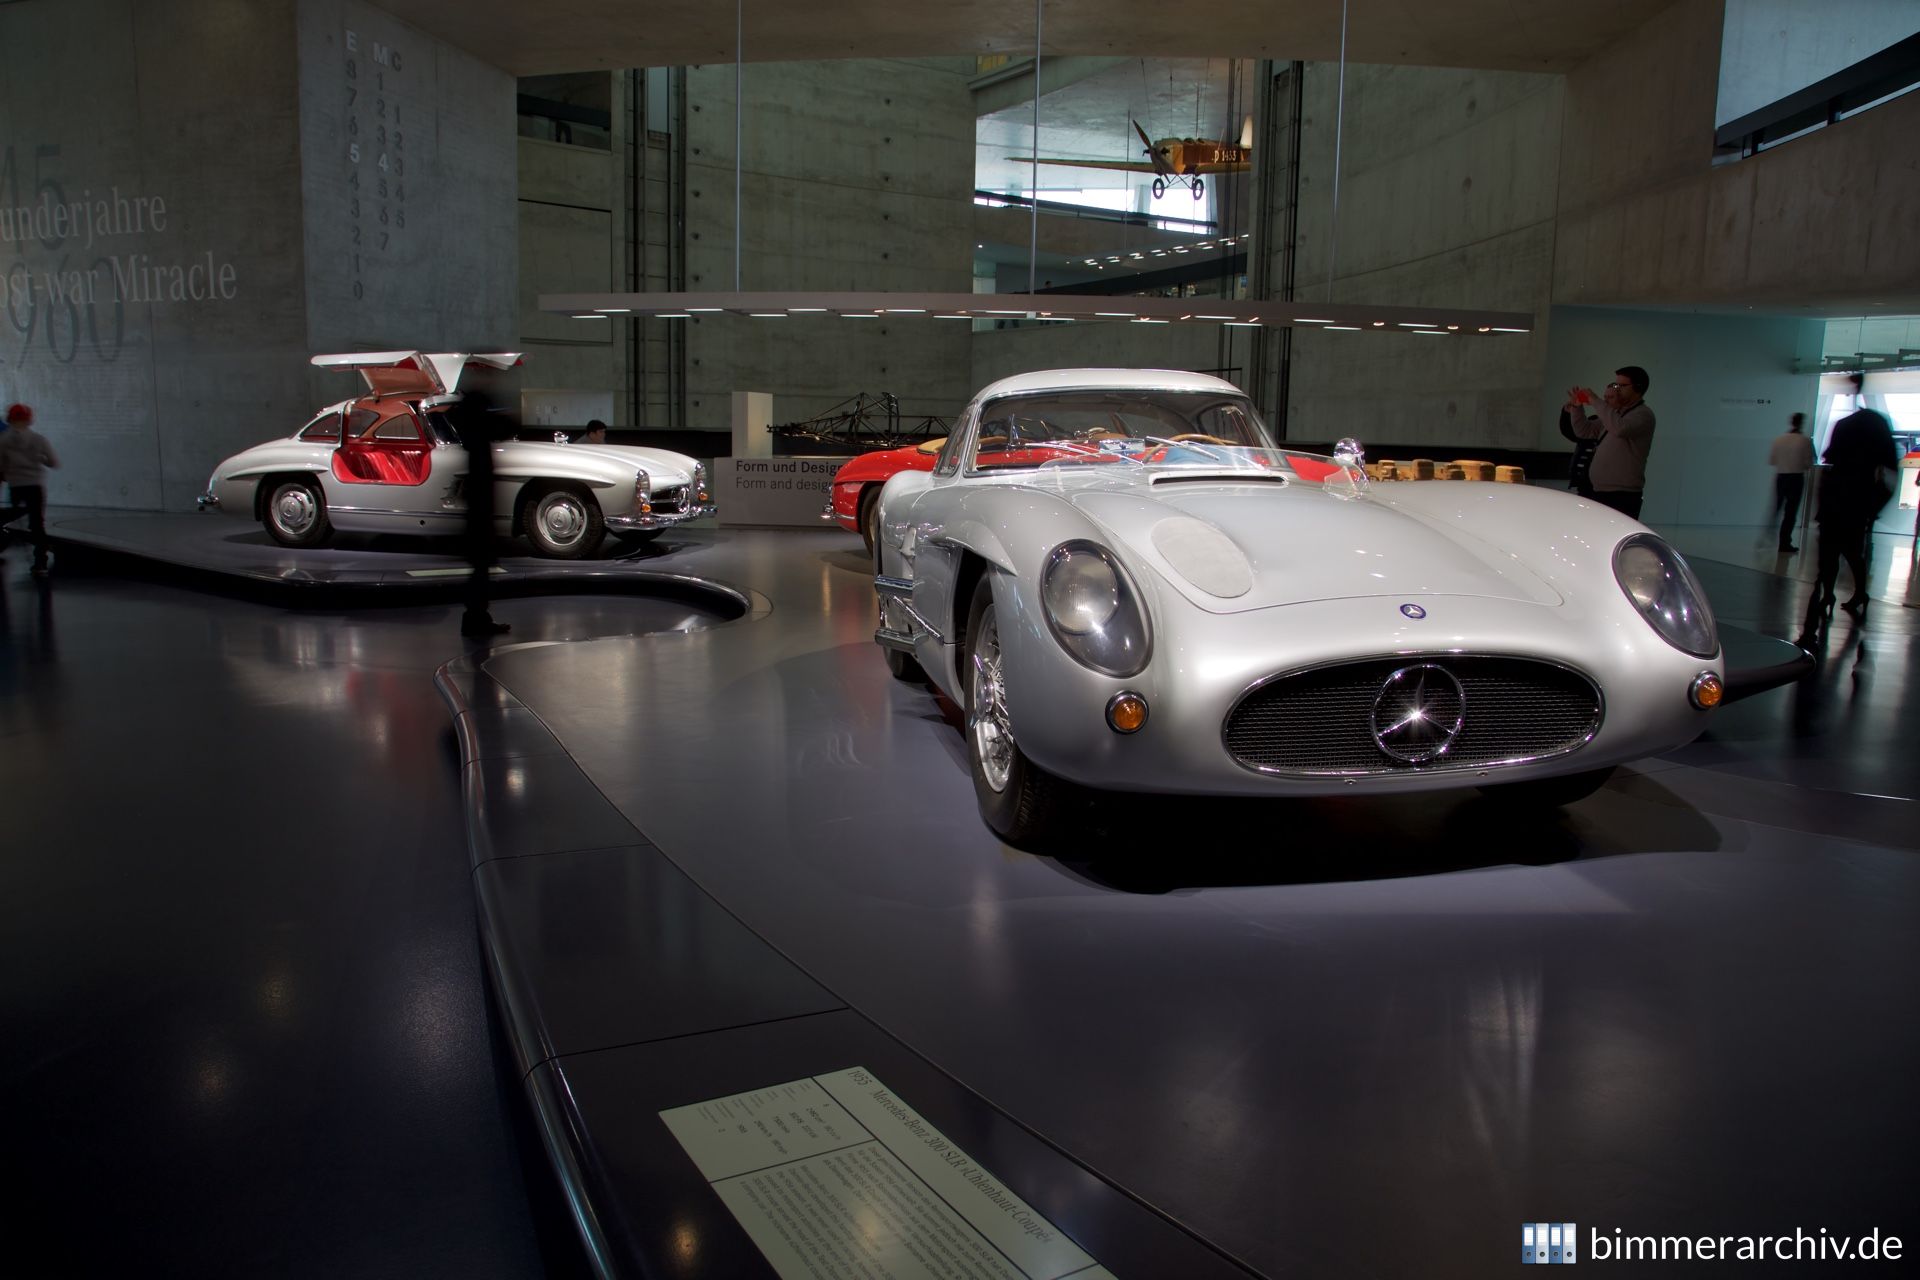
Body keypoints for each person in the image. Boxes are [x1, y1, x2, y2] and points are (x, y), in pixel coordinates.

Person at [1806, 375, 1897, 631]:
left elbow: (1830, 463)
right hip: (1856, 502)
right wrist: (1875, 507)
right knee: (1852, 552)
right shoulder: (1875, 427)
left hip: (1837, 501)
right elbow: (1889, 469)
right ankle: (1855, 592)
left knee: (1829, 553)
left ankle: (1827, 593)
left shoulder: (1844, 428)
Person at [443, 367, 514, 637]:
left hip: (480, 493)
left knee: (481, 565)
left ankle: (476, 616)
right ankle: (475, 618)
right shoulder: (475, 408)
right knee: (481, 564)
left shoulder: (468, 409)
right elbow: (501, 428)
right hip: (481, 496)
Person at [1564, 366, 1656, 519]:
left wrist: (1595, 400)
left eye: (1621, 386)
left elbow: (1620, 429)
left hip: (1622, 495)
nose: (1616, 389)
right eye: (1615, 385)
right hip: (1600, 491)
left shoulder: (1643, 414)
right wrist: (1576, 407)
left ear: (1638, 388)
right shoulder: (1617, 413)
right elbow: (1585, 431)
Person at [0, 403, 60, 576]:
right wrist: (39, 459)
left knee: (12, 517)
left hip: (16, 486)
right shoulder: (39, 440)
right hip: (35, 485)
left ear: (10, 419)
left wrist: (7, 474)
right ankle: (40, 562)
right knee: (37, 524)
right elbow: (54, 462)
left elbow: (1, 466)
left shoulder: (3, 440)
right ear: (29, 420)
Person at [1767, 412, 1815, 553]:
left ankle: (1769, 535)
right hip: (1796, 478)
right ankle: (1784, 542)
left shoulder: (1779, 439)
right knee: (1790, 513)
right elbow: (1808, 463)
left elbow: (1773, 460)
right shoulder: (1804, 441)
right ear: (1801, 423)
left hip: (1781, 477)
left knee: (1777, 508)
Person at [1556, 400, 1599, 498]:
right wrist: (1567, 413)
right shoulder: (1595, 422)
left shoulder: (1613, 424)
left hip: (1599, 480)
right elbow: (1571, 433)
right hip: (1583, 479)